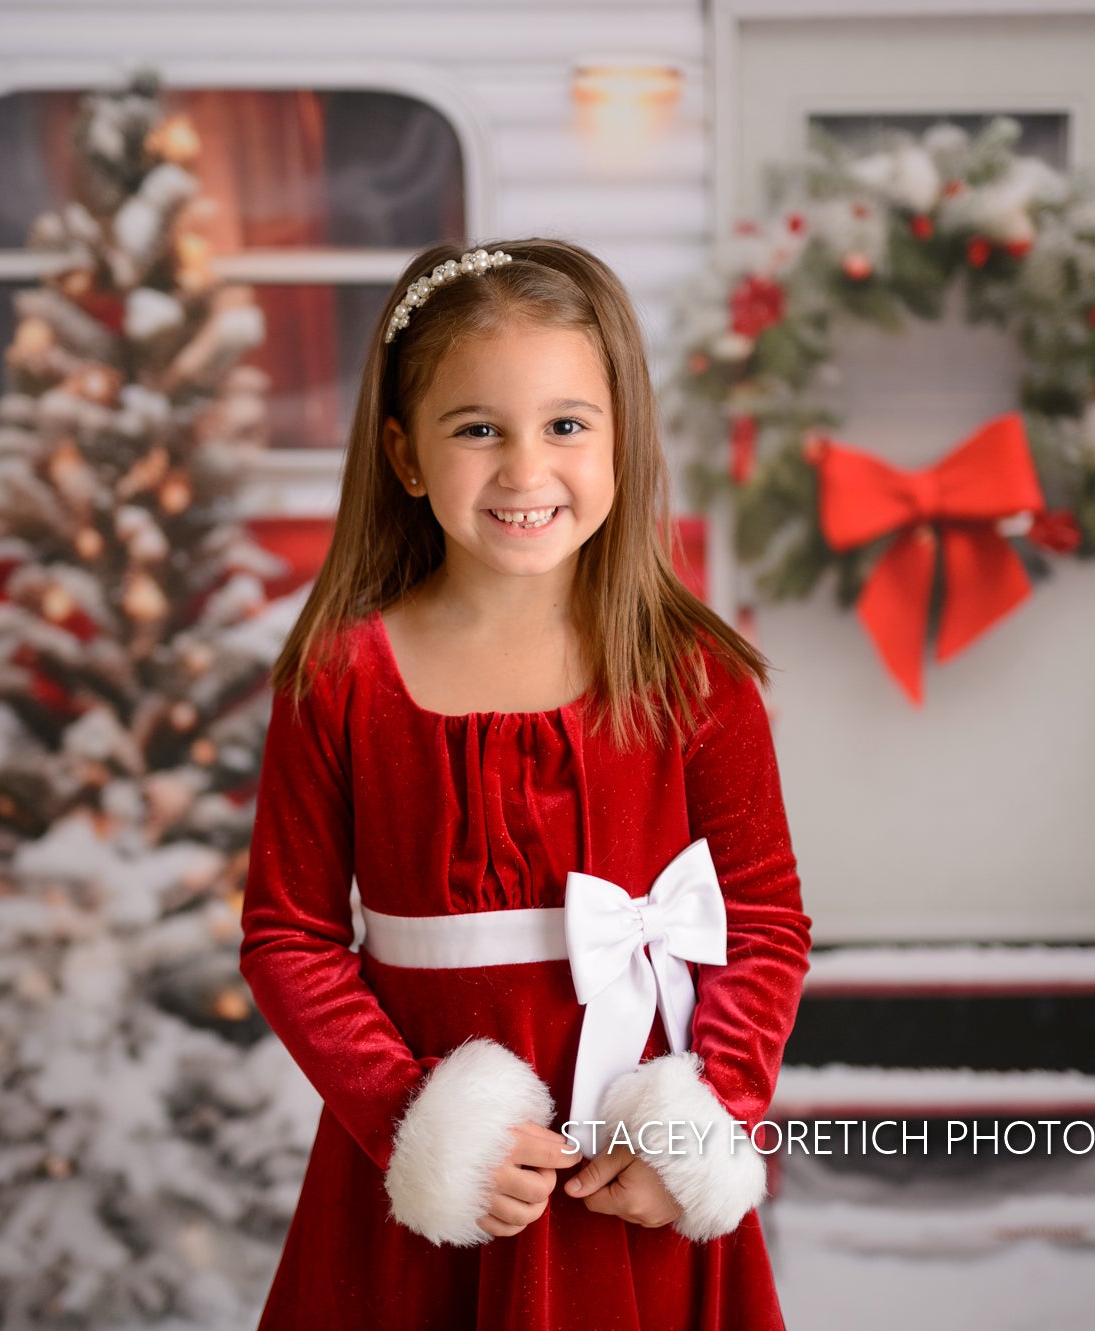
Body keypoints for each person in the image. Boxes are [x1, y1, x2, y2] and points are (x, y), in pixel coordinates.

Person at [238, 237, 813, 1330]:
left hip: (626, 1171)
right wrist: (412, 1118)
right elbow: (287, 934)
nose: (522, 468)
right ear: (405, 455)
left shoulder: (695, 677)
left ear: (619, 439)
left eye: (563, 424)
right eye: (476, 429)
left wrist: (702, 1120)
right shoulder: (340, 677)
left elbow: (763, 918)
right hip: (439, 1205)